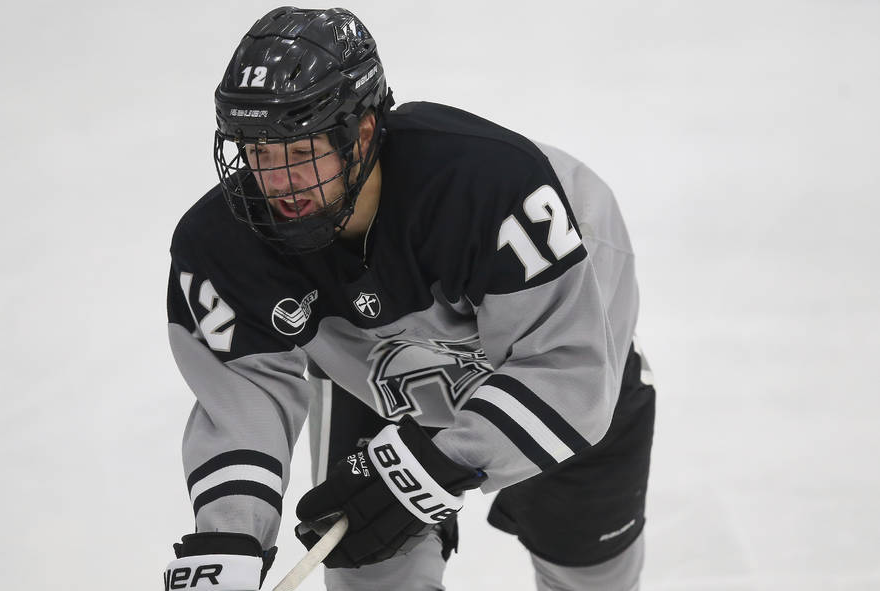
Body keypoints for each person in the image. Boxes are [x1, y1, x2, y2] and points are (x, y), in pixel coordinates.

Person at [162, 7, 656, 591]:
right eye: (259, 153)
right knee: (371, 575)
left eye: (299, 152)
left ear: (362, 134)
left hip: (559, 338)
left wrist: (430, 470)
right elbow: (244, 403)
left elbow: (567, 372)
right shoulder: (221, 245)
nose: (278, 182)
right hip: (374, 375)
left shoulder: (488, 190)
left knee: (587, 571)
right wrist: (230, 541)